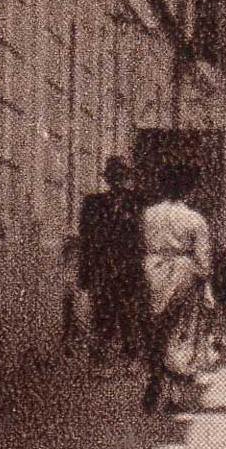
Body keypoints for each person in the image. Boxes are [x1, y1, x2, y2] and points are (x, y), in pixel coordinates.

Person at [141, 164, 215, 412]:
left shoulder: (148, 215)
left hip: (152, 270)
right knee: (181, 332)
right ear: (190, 191)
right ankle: (173, 396)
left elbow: (140, 245)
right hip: (183, 273)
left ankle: (154, 377)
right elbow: (203, 262)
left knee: (155, 330)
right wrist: (205, 288)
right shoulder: (195, 220)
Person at [77, 156, 146, 364]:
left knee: (129, 314)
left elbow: (143, 239)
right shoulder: (93, 204)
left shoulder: (136, 203)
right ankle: (101, 359)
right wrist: (85, 273)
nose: (117, 182)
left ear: (126, 179)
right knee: (102, 313)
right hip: (102, 267)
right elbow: (86, 239)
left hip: (128, 268)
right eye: (113, 177)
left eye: (121, 177)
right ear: (107, 180)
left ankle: (130, 356)